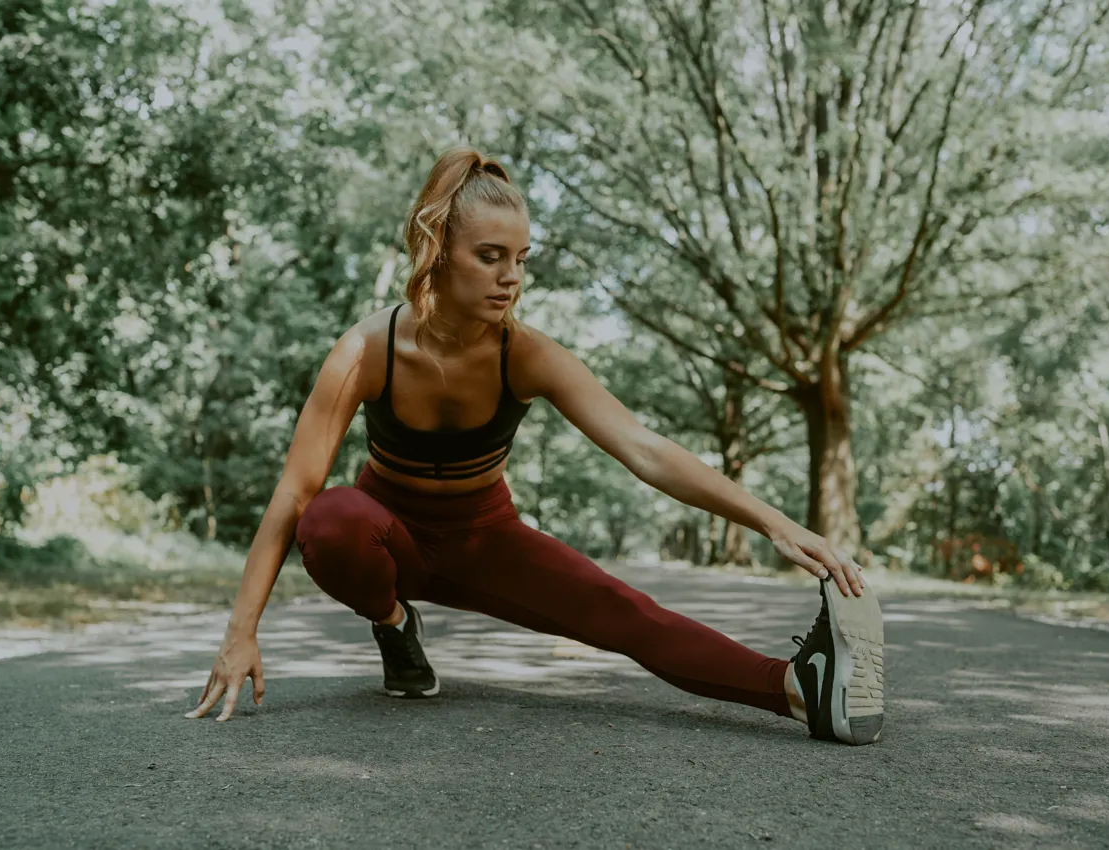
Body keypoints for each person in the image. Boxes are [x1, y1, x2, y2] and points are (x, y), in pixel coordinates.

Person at [184, 146, 885, 745]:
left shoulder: (527, 354)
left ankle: (803, 690)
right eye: (489, 257)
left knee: (625, 613)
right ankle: (395, 624)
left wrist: (777, 523)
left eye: (521, 258)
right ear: (436, 251)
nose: (511, 276)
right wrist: (240, 632)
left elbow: (643, 448)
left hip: (486, 538)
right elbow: (294, 492)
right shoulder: (365, 352)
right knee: (331, 520)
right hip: (385, 536)